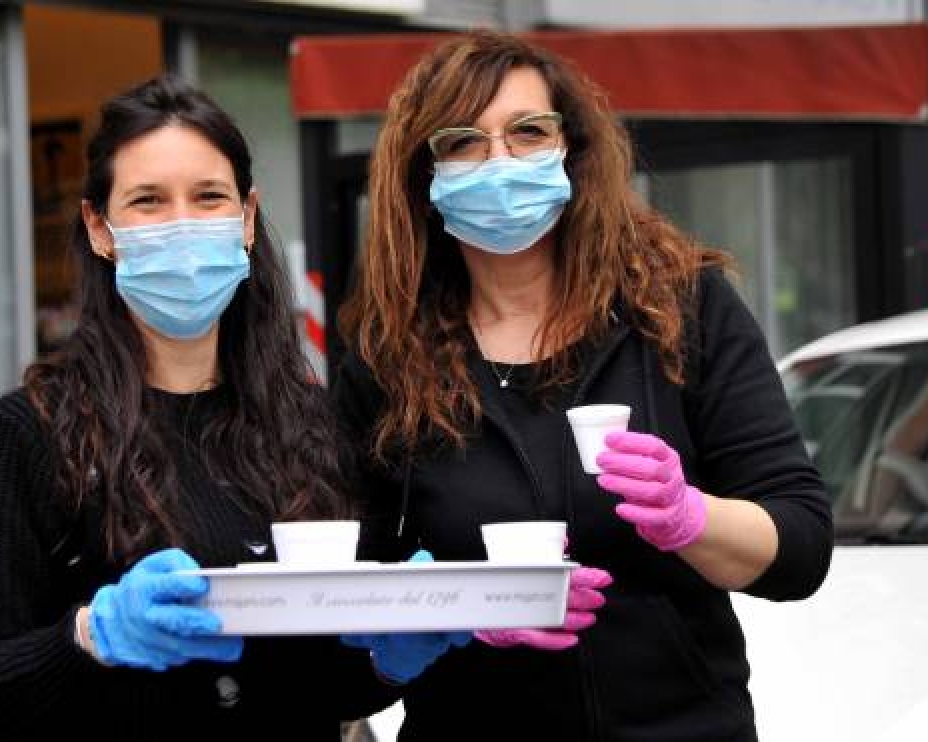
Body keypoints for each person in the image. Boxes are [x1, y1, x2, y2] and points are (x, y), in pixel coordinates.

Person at [334, 31, 835, 741]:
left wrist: (690, 518)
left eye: (528, 132)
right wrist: (448, 619)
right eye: (464, 143)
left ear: (571, 146)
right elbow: (344, 624)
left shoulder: (683, 309)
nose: (500, 162)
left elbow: (801, 549)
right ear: (424, 173)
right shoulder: (386, 358)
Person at [0, 76, 466, 741]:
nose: (182, 223)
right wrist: (93, 636)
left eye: (208, 197)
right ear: (100, 227)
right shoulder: (29, 431)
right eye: (148, 201)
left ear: (245, 219)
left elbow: (327, 684)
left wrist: (387, 660)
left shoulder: (309, 422)